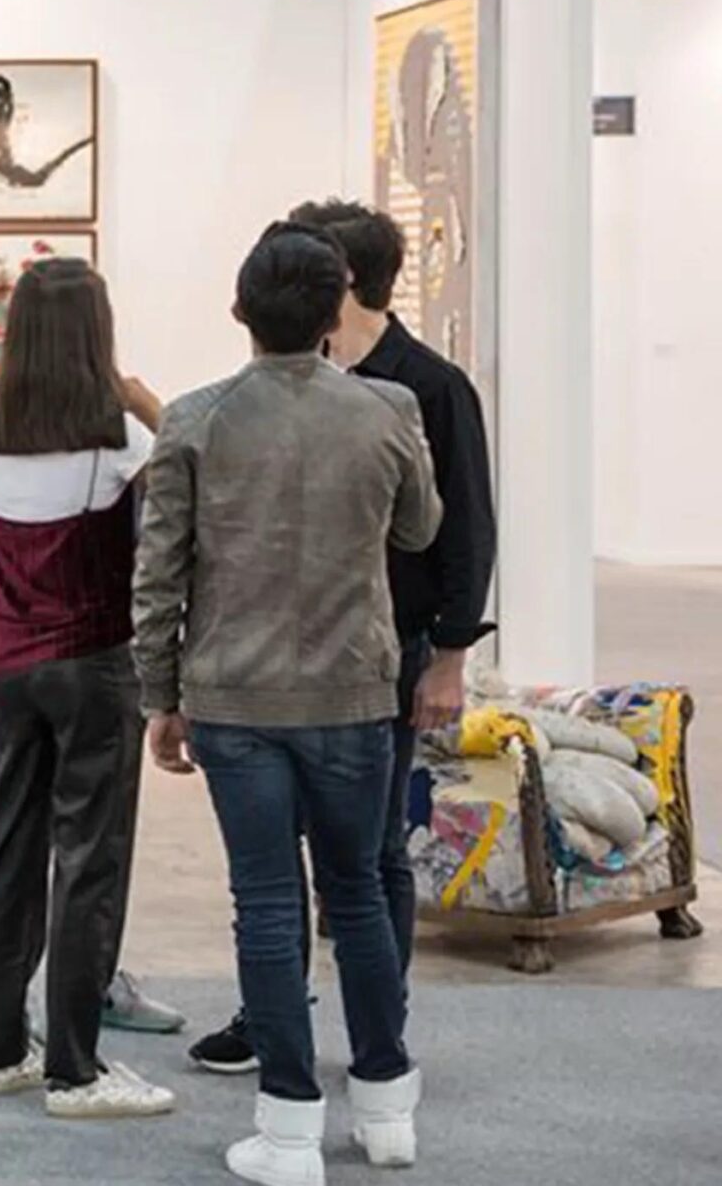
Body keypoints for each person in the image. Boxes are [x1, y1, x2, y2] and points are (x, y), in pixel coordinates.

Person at [135, 223, 441, 1183]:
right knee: (359, 893)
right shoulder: (388, 408)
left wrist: (159, 696)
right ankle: (386, 1107)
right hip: (354, 691)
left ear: (240, 311)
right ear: (333, 314)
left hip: (236, 698)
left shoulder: (195, 419)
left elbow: (159, 575)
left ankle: (289, 1127)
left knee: (266, 903)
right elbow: (421, 527)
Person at [188, 202, 496, 1079]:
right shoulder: (284, 380)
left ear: (342, 281)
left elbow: (463, 531)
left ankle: (379, 1033)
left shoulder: (427, 388)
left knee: (369, 859)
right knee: (271, 866)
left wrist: (450, 657)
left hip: (383, 655)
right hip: (270, 662)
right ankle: (274, 1019)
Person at [0, 259, 174, 1120]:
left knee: (4, 852)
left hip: (4, 664)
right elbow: (189, 472)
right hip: (93, 664)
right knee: (90, 858)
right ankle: (77, 1071)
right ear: (96, 332)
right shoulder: (118, 434)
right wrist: (145, 398)